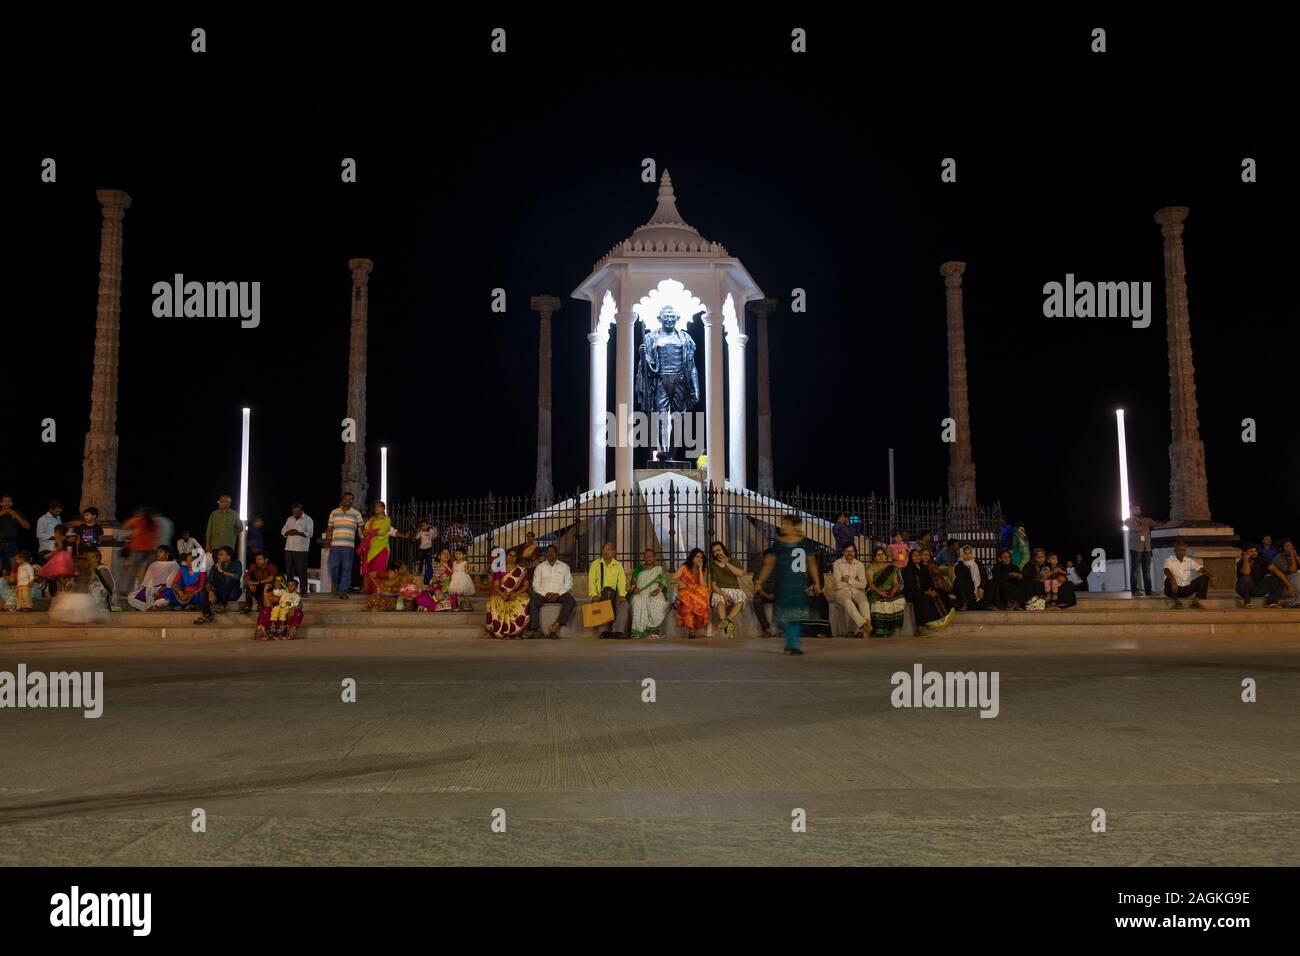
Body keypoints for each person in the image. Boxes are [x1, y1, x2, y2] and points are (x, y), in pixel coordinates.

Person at [752, 513, 822, 655]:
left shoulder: (805, 543)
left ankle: (793, 644)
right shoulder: (778, 544)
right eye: (783, 523)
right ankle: (791, 641)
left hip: (798, 585)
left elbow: (812, 564)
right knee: (784, 615)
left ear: (794, 526)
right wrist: (759, 581)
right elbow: (768, 564)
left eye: (787, 523)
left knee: (796, 615)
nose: (783, 526)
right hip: (783, 584)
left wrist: (816, 582)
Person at [358, 500, 406, 595]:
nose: (377, 508)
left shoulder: (387, 520)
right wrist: (369, 532)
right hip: (370, 549)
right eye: (375, 507)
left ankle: (378, 590)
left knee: (378, 570)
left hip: (381, 549)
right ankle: (369, 590)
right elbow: (365, 531)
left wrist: (371, 532)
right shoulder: (372, 520)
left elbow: (382, 531)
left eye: (379, 506)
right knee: (369, 570)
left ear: (383, 508)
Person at [527, 544, 574, 639]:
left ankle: (556, 626)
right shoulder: (540, 567)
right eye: (548, 552)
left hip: (559, 594)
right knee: (533, 600)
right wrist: (545, 594)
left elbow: (569, 583)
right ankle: (537, 630)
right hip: (543, 594)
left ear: (557, 553)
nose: (550, 553)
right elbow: (535, 584)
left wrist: (558, 594)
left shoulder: (564, 567)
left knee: (570, 600)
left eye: (552, 551)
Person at [903, 548, 955, 632]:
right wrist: (925, 592)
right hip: (913, 592)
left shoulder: (924, 568)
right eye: (914, 556)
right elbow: (910, 586)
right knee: (922, 598)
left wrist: (931, 590)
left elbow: (929, 581)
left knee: (941, 592)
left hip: (925, 590)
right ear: (911, 558)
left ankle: (945, 615)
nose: (917, 557)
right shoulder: (908, 569)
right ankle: (921, 625)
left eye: (918, 555)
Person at [324, 492, 364, 599]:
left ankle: (343, 591)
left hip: (348, 546)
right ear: (342, 500)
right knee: (333, 567)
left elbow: (361, 529)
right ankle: (335, 585)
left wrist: (363, 542)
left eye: (350, 499)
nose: (348, 501)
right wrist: (327, 541)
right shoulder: (334, 512)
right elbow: (329, 528)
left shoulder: (356, 513)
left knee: (346, 568)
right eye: (346, 499)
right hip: (335, 545)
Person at [485, 548, 530, 638]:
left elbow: (526, 585)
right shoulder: (500, 569)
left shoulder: (521, 570)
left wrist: (515, 594)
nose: (512, 557)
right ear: (506, 557)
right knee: (491, 603)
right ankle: (496, 631)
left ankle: (517, 632)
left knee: (523, 602)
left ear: (517, 558)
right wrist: (502, 594)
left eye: (514, 556)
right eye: (510, 555)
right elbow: (495, 585)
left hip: (516, 594)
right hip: (501, 594)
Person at [589, 542, 630, 639]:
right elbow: (591, 581)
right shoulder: (596, 564)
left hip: (614, 593)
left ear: (614, 552)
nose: (606, 551)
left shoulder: (618, 565)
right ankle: (604, 631)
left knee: (624, 604)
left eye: (609, 549)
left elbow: (621, 582)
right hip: (600, 594)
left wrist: (621, 594)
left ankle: (618, 630)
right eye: (604, 549)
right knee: (604, 598)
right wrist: (594, 595)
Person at [628, 547, 670, 640]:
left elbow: (663, 582)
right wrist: (635, 588)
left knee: (657, 602)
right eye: (646, 556)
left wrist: (658, 590)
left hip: (654, 591)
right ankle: (637, 632)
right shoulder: (639, 568)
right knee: (638, 601)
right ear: (644, 558)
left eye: (651, 556)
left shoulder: (658, 569)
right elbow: (633, 582)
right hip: (640, 592)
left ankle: (653, 631)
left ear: (655, 558)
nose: (648, 558)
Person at [708, 541, 747, 639]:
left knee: (741, 598)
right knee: (719, 600)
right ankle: (727, 627)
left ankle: (728, 620)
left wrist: (727, 563)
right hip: (720, 590)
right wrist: (724, 595)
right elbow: (714, 585)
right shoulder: (713, 565)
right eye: (714, 552)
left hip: (734, 589)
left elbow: (740, 574)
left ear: (723, 550)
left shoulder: (734, 561)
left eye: (718, 550)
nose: (717, 553)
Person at [119, 506, 160, 598]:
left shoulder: (138, 521)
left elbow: (125, 526)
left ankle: (129, 591)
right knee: (149, 572)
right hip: (151, 550)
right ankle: (148, 592)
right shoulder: (155, 523)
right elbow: (156, 537)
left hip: (138, 549)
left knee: (133, 571)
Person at [195, 546, 243, 622]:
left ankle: (223, 605)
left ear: (228, 556)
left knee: (228, 578)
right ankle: (207, 614)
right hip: (220, 592)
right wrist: (210, 592)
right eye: (218, 555)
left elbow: (237, 576)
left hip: (232, 592)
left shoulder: (236, 563)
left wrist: (222, 571)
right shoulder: (215, 566)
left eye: (221, 554)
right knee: (203, 589)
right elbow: (209, 582)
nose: (218, 556)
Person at [671, 547, 710, 640]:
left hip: (696, 595)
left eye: (701, 557)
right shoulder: (684, 567)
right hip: (685, 591)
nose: (700, 559)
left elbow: (703, 585)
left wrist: (700, 570)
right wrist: (680, 582)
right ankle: (691, 629)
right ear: (692, 558)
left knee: (702, 590)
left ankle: (679, 602)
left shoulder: (704, 569)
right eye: (697, 557)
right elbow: (672, 579)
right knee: (689, 601)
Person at [832, 543, 871, 636]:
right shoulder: (837, 564)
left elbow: (863, 585)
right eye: (847, 551)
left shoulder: (860, 565)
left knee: (864, 602)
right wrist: (855, 581)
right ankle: (865, 625)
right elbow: (837, 584)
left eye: (852, 551)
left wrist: (848, 580)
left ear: (855, 552)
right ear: (843, 552)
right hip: (841, 591)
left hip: (857, 591)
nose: (849, 553)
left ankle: (865, 628)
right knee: (848, 602)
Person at [127, 546, 178, 610]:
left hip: (165, 589)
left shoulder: (173, 564)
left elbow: (172, 581)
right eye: (157, 552)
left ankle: (155, 606)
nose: (158, 554)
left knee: (163, 600)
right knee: (131, 597)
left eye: (161, 552)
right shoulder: (153, 564)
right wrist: (146, 589)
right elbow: (147, 581)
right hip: (150, 589)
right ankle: (150, 606)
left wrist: (160, 590)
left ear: (167, 554)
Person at [1163, 540, 1210, 608]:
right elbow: (1166, 570)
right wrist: (1173, 580)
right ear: (1175, 550)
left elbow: (1200, 568)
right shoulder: (1169, 560)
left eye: (1183, 550)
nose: (1181, 552)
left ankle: (1195, 602)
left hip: (1186, 589)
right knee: (1168, 580)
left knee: (1205, 577)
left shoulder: (1189, 561)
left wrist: (1212, 576)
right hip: (1174, 590)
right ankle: (1177, 602)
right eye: (1179, 550)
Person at [1128, 503, 1162, 597]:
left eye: (1138, 509)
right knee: (1135, 570)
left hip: (1147, 548)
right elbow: (1137, 529)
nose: (1138, 511)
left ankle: (1149, 591)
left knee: (1146, 571)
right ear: (1131, 511)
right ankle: (1134, 591)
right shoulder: (1129, 521)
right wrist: (1146, 522)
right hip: (1136, 548)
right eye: (1135, 509)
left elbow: (1156, 525)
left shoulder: (1146, 520)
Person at [1235, 544, 1285, 608]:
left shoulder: (1260, 560)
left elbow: (1275, 570)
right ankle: (1247, 602)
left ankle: (1270, 602)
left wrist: (1289, 586)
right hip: (1243, 590)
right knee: (1246, 578)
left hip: (1257, 589)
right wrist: (1245, 559)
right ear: (1245, 553)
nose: (1254, 553)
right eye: (1251, 551)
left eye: (1255, 551)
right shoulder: (1240, 563)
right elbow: (1246, 572)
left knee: (1279, 578)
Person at [255, 575, 304, 640]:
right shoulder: (271, 592)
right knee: (264, 611)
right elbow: (267, 605)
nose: (279, 582)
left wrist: (293, 607)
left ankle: (289, 633)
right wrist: (265, 592)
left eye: (281, 580)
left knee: (298, 612)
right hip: (274, 617)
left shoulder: (292, 593)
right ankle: (264, 632)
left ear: (285, 582)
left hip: (286, 616)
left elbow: (300, 605)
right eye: (277, 580)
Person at [281, 502, 313, 596]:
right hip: (288, 548)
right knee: (289, 570)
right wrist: (289, 532)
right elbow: (283, 532)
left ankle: (304, 591)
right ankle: (290, 591)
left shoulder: (308, 520)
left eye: (297, 512)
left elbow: (310, 534)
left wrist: (297, 532)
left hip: (301, 549)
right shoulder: (289, 519)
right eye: (294, 512)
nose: (295, 514)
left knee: (301, 571)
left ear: (301, 510)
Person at [0, 497, 31, 575]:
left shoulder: (17, 513)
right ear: (1, 503)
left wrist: (17, 516)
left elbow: (27, 526)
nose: (7, 503)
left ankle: (8, 586)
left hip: (11, 544)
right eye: (5, 501)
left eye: (9, 501)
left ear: (12, 503)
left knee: (13, 568)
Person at [954, 545, 985, 611]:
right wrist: (961, 562)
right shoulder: (959, 565)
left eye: (970, 553)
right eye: (965, 553)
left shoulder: (977, 563)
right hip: (966, 587)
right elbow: (960, 575)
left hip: (977, 586)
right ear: (962, 554)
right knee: (958, 581)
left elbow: (984, 576)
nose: (968, 555)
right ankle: (964, 603)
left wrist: (981, 587)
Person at [84, 548, 116, 613]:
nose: (89, 559)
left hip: (104, 607)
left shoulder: (103, 570)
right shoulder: (92, 572)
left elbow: (108, 589)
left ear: (98, 558)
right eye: (88, 557)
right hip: (96, 606)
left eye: (92, 557)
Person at [1271, 539, 1299, 608]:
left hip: (1293, 584)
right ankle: (1290, 602)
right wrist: (1292, 556)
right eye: (1287, 546)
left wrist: (1297, 558)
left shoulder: (1291, 556)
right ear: (1282, 548)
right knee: (1296, 575)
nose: (1291, 547)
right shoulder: (1278, 558)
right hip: (1283, 585)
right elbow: (1292, 571)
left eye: (1291, 545)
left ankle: (1286, 602)